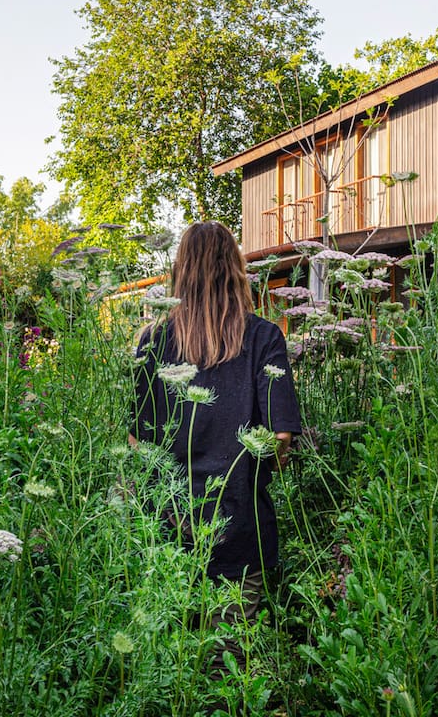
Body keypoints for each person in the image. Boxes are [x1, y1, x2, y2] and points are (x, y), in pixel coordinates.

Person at [131, 221, 302, 668]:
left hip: (165, 537)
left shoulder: (153, 341)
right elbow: (280, 437)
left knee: (172, 675)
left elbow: (136, 442)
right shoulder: (264, 337)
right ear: (235, 270)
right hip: (241, 533)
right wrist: (253, 475)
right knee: (230, 676)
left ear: (180, 272)